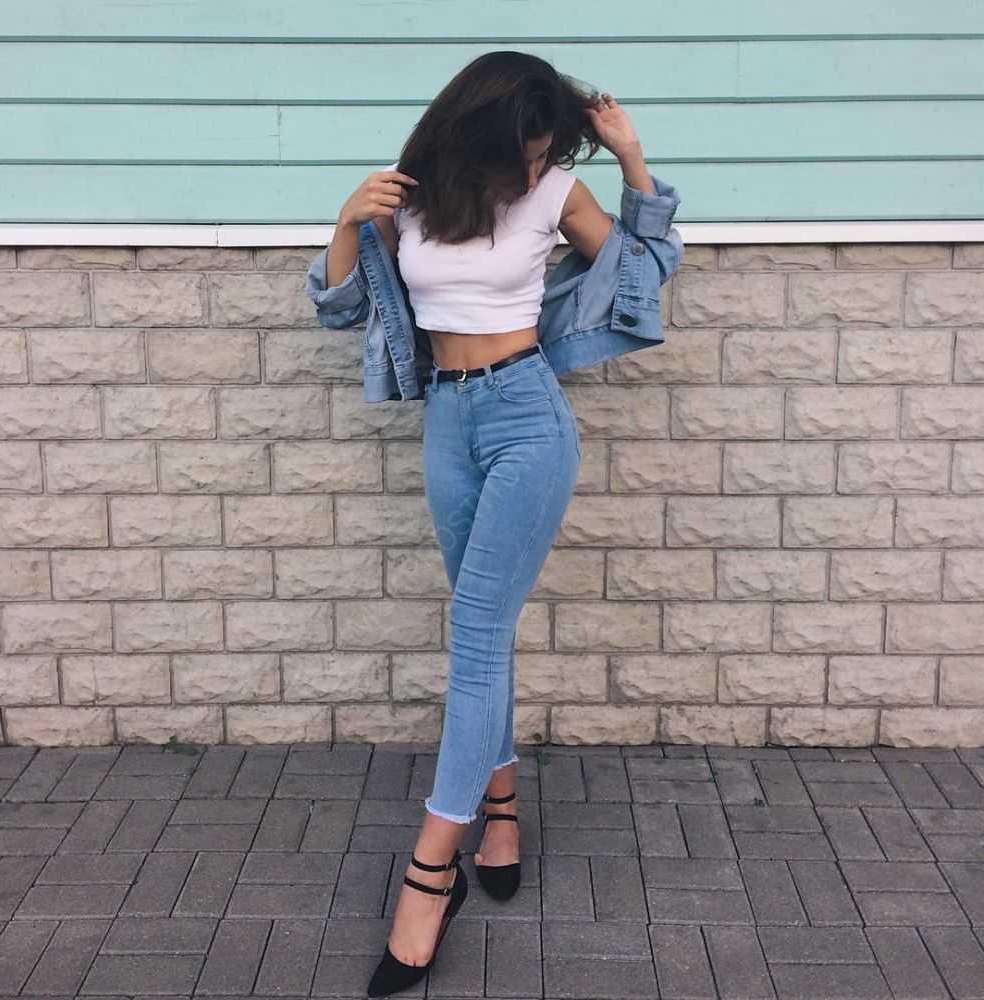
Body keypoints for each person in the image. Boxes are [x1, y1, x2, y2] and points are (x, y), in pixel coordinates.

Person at [322, 50, 657, 998]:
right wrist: (345, 221)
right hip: (447, 421)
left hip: (525, 417)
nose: (535, 163)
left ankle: (431, 873)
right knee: (487, 635)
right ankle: (500, 811)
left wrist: (630, 161)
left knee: (472, 634)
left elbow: (642, 271)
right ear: (476, 133)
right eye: (523, 147)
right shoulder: (408, 199)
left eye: (546, 148)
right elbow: (340, 306)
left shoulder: (555, 193)